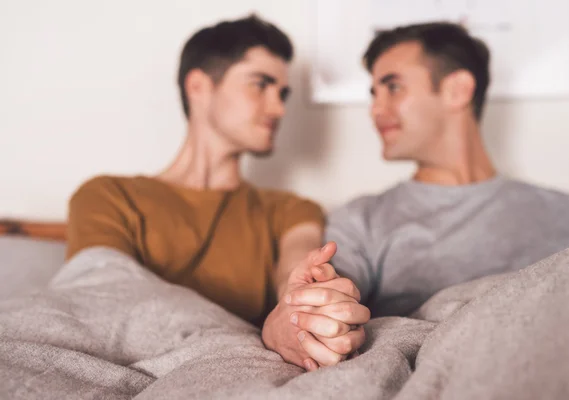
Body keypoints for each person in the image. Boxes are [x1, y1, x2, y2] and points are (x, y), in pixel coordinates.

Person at [66, 14, 369, 371]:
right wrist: (259, 334)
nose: (279, 108)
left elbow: (294, 270)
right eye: (261, 84)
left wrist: (300, 310)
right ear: (198, 86)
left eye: (282, 93)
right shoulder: (108, 195)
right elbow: (103, 297)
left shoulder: (290, 210)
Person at [326, 22, 569, 318]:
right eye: (373, 93)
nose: (375, 110)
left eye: (393, 87)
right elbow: (328, 303)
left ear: (458, 90)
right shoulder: (359, 220)